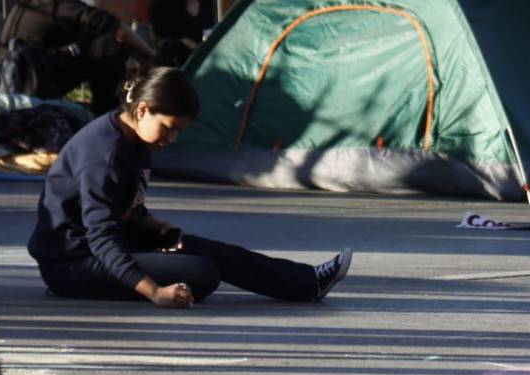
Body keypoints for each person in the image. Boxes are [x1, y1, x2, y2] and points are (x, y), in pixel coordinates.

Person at [27, 66, 352, 308]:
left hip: (110, 243)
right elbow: (100, 237)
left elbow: (125, 206)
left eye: (180, 131)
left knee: (211, 250)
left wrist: (149, 224)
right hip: (73, 262)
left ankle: (308, 282)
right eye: (169, 128)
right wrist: (155, 292)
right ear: (142, 110)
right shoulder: (105, 154)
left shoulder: (135, 138)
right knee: (202, 272)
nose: (173, 139)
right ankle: (301, 283)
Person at [0, 0, 156, 114]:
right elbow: (115, 27)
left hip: (26, 71)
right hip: (23, 80)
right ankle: (107, 114)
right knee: (108, 44)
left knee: (98, 42)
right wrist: (153, 57)